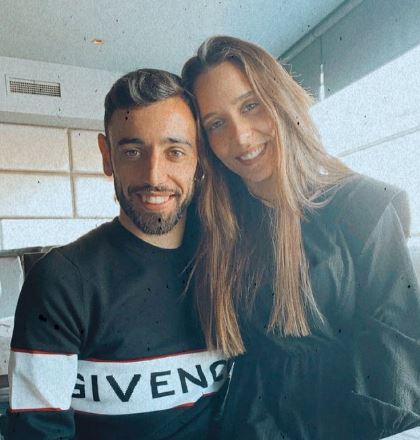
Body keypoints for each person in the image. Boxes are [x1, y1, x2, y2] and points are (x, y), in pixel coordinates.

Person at [182, 36, 420, 439]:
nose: (240, 137)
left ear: (282, 102)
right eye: (216, 123)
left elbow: (394, 354)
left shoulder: (363, 206)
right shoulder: (216, 224)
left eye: (250, 105)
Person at [7, 69, 228, 440]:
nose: (154, 175)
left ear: (199, 158)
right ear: (107, 156)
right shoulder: (62, 281)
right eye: (132, 151)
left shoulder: (228, 260)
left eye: (174, 152)